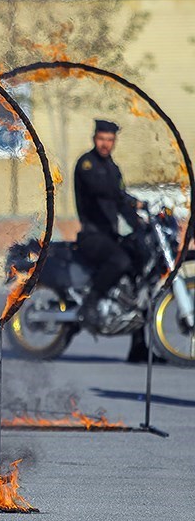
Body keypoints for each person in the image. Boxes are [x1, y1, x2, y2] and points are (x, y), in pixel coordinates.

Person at [73, 119, 156, 363]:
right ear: (94, 138)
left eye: (110, 140)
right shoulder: (86, 165)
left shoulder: (113, 168)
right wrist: (128, 199)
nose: (105, 144)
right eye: (102, 138)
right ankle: (90, 303)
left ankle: (139, 347)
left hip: (109, 235)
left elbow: (120, 204)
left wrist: (141, 225)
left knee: (137, 276)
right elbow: (103, 191)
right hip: (91, 235)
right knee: (119, 260)